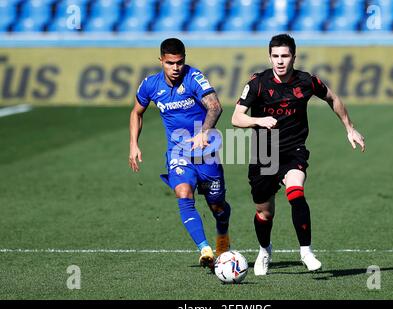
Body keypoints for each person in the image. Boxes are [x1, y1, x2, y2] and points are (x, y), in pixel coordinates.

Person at [231, 34, 365, 276]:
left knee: (296, 191)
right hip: (264, 151)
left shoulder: (307, 81)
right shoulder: (258, 83)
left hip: (294, 149)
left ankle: (306, 251)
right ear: (269, 57)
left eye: (285, 56)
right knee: (264, 212)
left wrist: (349, 127)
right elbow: (236, 117)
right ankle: (264, 250)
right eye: (275, 56)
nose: (280, 61)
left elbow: (332, 98)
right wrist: (259, 120)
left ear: (294, 56)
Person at [129, 38, 231, 270]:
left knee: (217, 206)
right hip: (178, 152)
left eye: (180, 62)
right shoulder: (150, 85)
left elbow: (215, 106)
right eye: (170, 63)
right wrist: (133, 144)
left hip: (206, 152)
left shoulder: (194, 78)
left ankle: (222, 235)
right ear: (161, 60)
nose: (175, 68)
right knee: (183, 192)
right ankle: (205, 249)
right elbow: (136, 112)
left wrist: (204, 133)